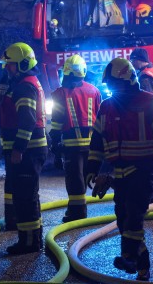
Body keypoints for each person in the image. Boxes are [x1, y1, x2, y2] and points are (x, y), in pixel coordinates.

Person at [85, 58, 153, 281]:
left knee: (134, 216)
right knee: (122, 217)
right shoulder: (107, 106)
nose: (111, 89)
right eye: (109, 85)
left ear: (126, 81)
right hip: (120, 172)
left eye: (113, 85)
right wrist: (92, 169)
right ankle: (142, 265)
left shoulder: (149, 102)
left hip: (145, 169)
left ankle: (128, 256)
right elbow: (97, 141)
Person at [0, 42, 48, 255]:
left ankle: (29, 243)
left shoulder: (24, 86)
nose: (8, 69)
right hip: (30, 151)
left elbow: (27, 120)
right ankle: (32, 239)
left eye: (11, 66)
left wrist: (18, 148)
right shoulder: (26, 82)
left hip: (27, 152)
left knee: (25, 198)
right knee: (27, 196)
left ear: (23, 64)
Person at [49, 54, 102, 223]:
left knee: (75, 179)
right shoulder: (94, 90)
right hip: (93, 144)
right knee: (90, 175)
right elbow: (100, 117)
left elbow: (56, 122)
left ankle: (77, 212)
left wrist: (55, 146)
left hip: (72, 145)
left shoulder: (59, 93)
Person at [129, 48, 153, 203]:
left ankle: (151, 195)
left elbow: (146, 100)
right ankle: (152, 193)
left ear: (138, 60)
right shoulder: (152, 71)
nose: (131, 63)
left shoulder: (144, 77)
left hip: (151, 121)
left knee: (151, 160)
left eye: (132, 60)